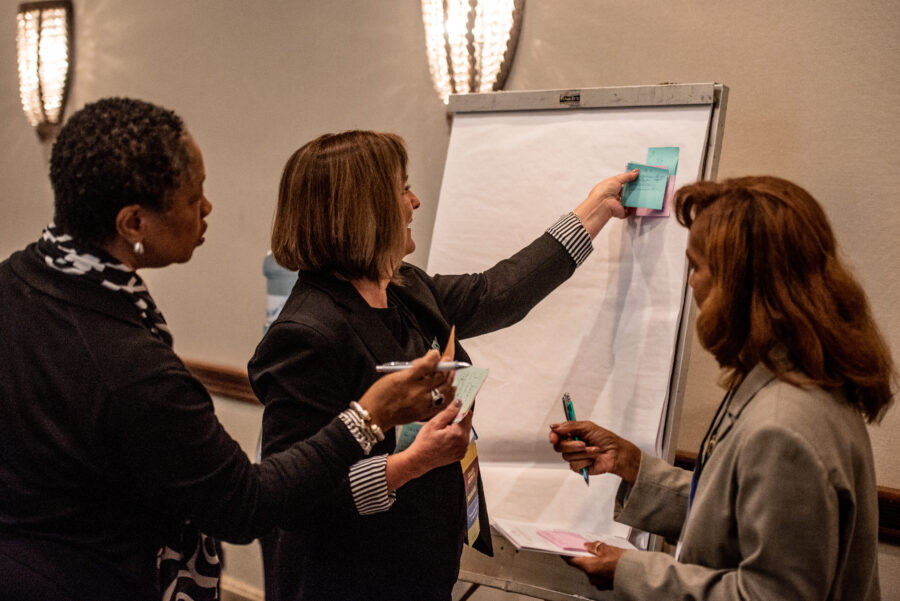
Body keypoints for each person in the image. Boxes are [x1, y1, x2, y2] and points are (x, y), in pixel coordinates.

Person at [0, 98, 458, 601]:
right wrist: (370, 415)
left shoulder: (18, 283)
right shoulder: (131, 368)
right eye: (193, 195)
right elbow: (245, 505)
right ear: (133, 223)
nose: (208, 207)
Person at [247, 129, 639, 600]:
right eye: (401, 189)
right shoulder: (305, 334)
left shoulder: (405, 289)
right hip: (346, 583)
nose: (414, 201)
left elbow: (500, 293)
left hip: (419, 573)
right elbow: (292, 499)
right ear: (362, 210)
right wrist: (412, 462)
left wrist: (595, 210)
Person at [549, 176, 895, 600]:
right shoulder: (794, 377)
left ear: (741, 283)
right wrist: (633, 465)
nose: (691, 282)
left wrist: (633, 571)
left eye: (697, 266)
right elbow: (736, 518)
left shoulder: (783, 427)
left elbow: (770, 595)